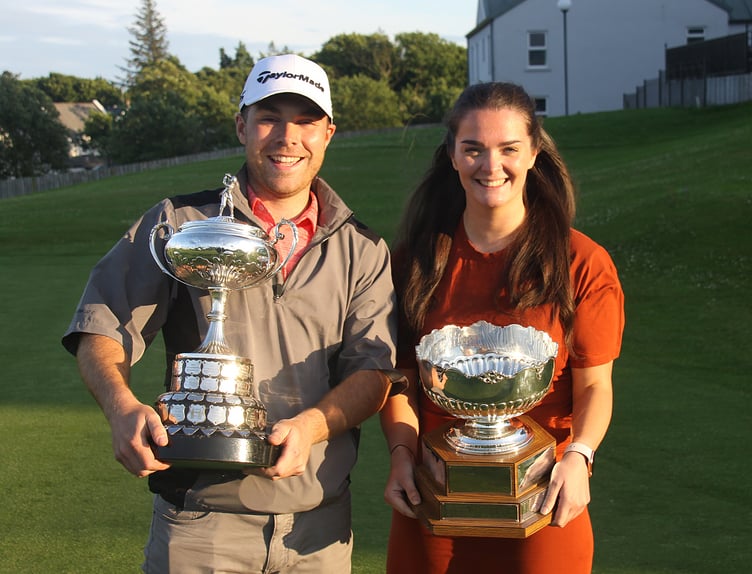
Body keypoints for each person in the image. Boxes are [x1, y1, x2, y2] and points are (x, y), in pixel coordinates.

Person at [63, 54, 403, 573]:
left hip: (319, 536)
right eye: (269, 117)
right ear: (242, 124)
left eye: (306, 120)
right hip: (201, 529)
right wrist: (120, 407)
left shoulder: (363, 248)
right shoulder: (179, 224)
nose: (287, 137)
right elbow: (103, 324)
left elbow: (373, 370)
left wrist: (311, 426)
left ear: (328, 133)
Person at [380, 82, 625, 573]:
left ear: (534, 152)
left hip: (544, 498)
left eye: (508, 148)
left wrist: (580, 457)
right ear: (452, 156)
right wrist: (402, 454)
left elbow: (595, 386)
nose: (491, 166)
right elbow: (401, 382)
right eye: (473, 149)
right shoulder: (413, 263)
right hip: (433, 494)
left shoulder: (582, 263)